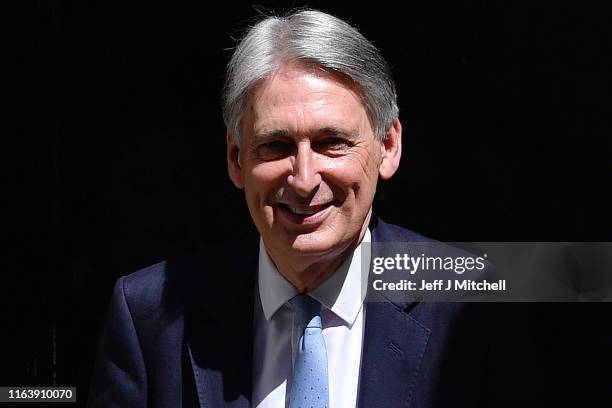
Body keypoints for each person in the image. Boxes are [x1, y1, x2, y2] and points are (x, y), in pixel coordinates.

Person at [89, 9, 543, 408]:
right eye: (276, 145)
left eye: (331, 143)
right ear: (235, 159)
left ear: (388, 146)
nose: (304, 179)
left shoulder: (475, 305)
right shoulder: (151, 314)